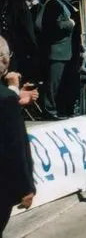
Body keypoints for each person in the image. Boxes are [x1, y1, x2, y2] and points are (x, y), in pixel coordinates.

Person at [0, 36, 35, 237]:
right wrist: (26, 187)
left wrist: (14, 94)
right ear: (4, 60)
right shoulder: (6, 99)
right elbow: (14, 147)